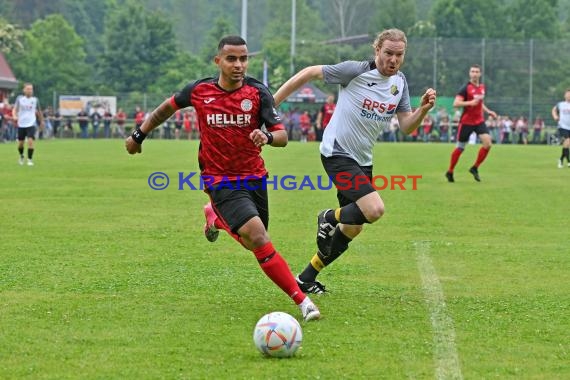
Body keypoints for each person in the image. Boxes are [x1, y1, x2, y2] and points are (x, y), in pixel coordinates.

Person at [125, 35, 320, 322]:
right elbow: (165, 108)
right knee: (257, 236)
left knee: (253, 241)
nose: (238, 64)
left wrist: (265, 136)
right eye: (231, 58)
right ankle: (302, 301)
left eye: (243, 58)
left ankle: (214, 217)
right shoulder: (199, 91)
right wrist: (139, 134)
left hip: (254, 178)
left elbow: (282, 136)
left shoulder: (258, 92)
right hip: (219, 179)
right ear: (218, 61)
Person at [273, 28, 436, 293]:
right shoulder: (355, 71)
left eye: (399, 55)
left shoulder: (400, 83)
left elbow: (407, 126)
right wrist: (272, 105)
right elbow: (310, 72)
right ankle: (327, 217)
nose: (393, 60)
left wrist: (423, 110)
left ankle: (306, 278)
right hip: (337, 153)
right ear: (376, 51)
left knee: (352, 227)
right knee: (374, 210)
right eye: (388, 53)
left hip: (362, 160)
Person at [445, 64, 497, 182]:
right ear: (470, 73)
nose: (474, 73)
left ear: (480, 74)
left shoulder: (482, 87)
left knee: (488, 144)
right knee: (460, 148)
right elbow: (456, 103)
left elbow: (480, 103)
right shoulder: (465, 88)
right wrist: (470, 103)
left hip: (479, 121)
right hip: (466, 122)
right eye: (472, 71)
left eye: (476, 71)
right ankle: (450, 171)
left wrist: (489, 111)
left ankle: (475, 168)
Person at [13, 83, 44, 166]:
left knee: (30, 141)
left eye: (31, 89)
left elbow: (39, 112)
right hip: (21, 124)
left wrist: (42, 122)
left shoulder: (35, 100)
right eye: (28, 89)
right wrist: (14, 116)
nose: (30, 91)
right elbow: (15, 109)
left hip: (31, 123)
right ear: (24, 90)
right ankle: (21, 156)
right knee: (20, 144)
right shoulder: (19, 99)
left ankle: (30, 159)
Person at [552, 88, 570, 168]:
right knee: (567, 141)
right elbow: (554, 110)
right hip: (563, 126)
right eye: (568, 94)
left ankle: (561, 159)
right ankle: (569, 162)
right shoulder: (561, 104)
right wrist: (555, 116)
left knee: (566, 144)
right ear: (565, 95)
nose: (569, 95)